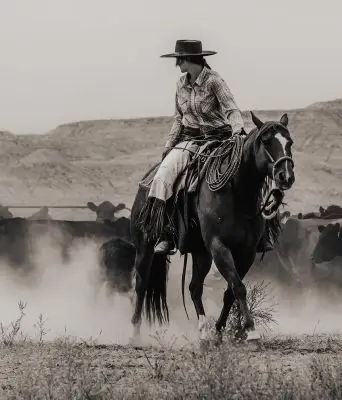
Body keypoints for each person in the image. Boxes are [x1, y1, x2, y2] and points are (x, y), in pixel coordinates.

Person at [139, 40, 273, 255]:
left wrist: (238, 131)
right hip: (189, 141)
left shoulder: (214, 81)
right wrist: (169, 145)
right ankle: (167, 233)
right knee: (162, 176)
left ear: (189, 59)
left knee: (253, 171)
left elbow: (231, 109)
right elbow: (179, 118)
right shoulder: (180, 85)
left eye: (179, 59)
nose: (177, 63)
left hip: (219, 139)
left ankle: (263, 232)